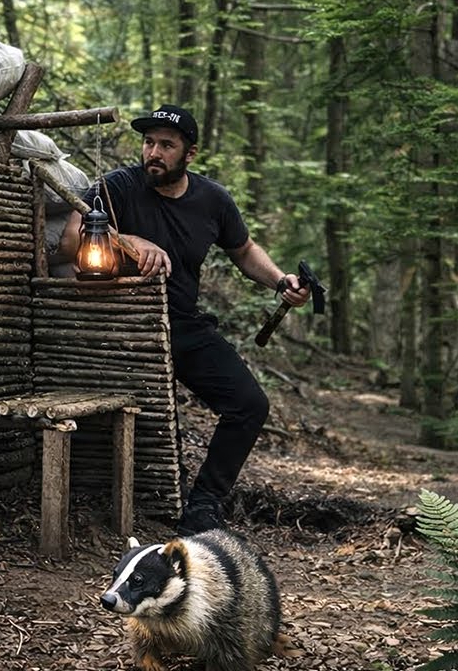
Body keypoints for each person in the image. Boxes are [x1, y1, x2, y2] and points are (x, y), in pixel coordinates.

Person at [58, 104, 311, 536]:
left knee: (249, 405)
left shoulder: (213, 200)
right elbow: (68, 243)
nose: (153, 152)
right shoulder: (115, 187)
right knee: (141, 419)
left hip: (182, 324)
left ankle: (204, 506)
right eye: (149, 142)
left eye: (166, 145)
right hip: (119, 323)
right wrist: (130, 241)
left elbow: (244, 250)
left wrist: (279, 281)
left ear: (189, 154)